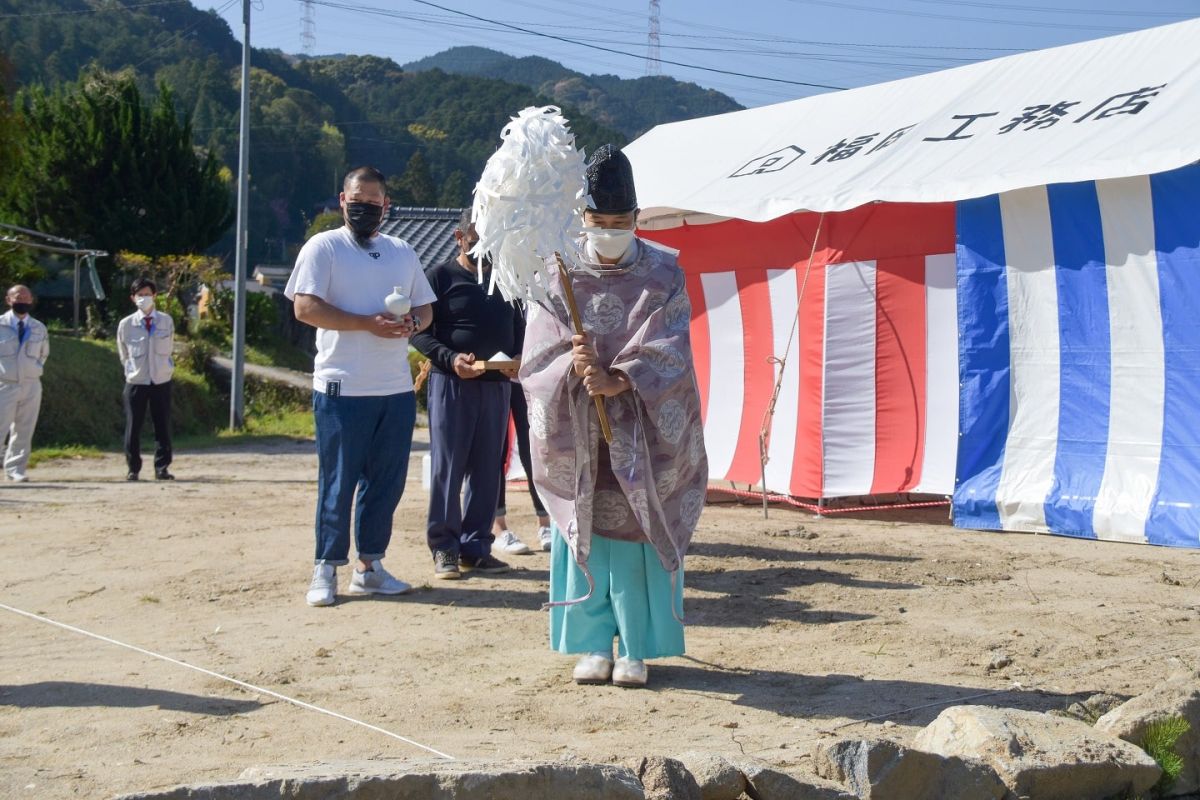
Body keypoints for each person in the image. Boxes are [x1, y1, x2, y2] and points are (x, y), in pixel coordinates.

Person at [520, 144, 708, 688]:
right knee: (588, 529)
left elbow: (672, 344)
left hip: (643, 429)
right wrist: (576, 373)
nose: (608, 231)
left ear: (636, 218)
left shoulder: (663, 274)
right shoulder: (557, 272)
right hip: (578, 428)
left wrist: (621, 377)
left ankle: (637, 647)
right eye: (598, 222)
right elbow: (538, 352)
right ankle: (592, 643)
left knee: (637, 533)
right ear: (582, 219)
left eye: (619, 222)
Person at [286, 165, 435, 607]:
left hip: (394, 388)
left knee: (386, 483)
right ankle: (326, 567)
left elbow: (426, 309)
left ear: (386, 206)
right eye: (357, 201)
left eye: (373, 202)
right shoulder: (323, 247)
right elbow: (305, 307)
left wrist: (412, 323)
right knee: (338, 481)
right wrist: (364, 325)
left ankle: (370, 566)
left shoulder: (402, 251)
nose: (365, 208)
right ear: (342, 200)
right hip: (341, 387)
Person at [411, 210, 520, 580]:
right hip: (452, 384)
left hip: (497, 385)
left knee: (489, 469)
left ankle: (477, 546)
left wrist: (520, 357)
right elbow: (419, 333)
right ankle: (444, 547)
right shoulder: (438, 278)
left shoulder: (505, 280)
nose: (484, 251)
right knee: (449, 467)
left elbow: (519, 326)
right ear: (460, 237)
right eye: (477, 242)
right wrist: (451, 358)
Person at [491, 309, 552, 555]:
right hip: (496, 366)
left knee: (536, 446)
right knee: (497, 448)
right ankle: (498, 527)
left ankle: (546, 523)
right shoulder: (493, 274)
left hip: (533, 368)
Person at [117, 278, 176, 481]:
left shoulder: (166, 321)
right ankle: (133, 468)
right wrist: (132, 371)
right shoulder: (126, 324)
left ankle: (162, 467)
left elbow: (170, 347)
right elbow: (123, 353)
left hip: (160, 380)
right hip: (136, 381)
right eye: (139, 295)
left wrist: (165, 369)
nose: (144, 298)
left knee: (162, 425)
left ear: (155, 296)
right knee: (133, 426)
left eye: (147, 294)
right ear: (133, 298)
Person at [0, 285, 49, 482]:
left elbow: (43, 354)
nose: (23, 301)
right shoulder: (1, 325)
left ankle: (15, 469)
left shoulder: (38, 327)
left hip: (30, 384)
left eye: (27, 298)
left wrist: (32, 370)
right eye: (18, 297)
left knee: (24, 428)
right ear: (8, 300)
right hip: (5, 383)